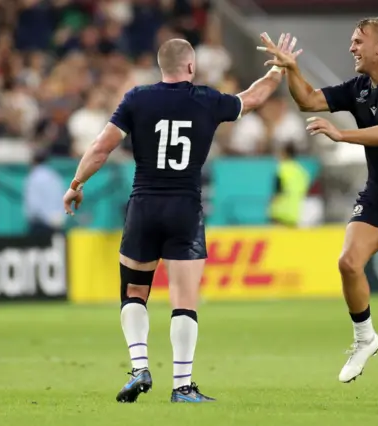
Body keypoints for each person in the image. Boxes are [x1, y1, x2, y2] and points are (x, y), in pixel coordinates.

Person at [63, 36, 300, 403]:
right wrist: (279, 67)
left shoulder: (136, 98)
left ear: (162, 67)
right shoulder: (207, 100)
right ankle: (182, 386)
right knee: (184, 299)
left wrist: (77, 183)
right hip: (184, 209)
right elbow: (253, 98)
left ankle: (140, 366)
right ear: (191, 66)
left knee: (134, 292)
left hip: (143, 206)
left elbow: (100, 147)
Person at [258, 20, 378, 399]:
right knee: (348, 261)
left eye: (358, 42)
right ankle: (365, 337)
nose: (351, 48)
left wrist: (342, 134)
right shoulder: (359, 89)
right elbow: (308, 100)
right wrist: (292, 70)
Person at [269, 142, 309, 227]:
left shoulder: (281, 168)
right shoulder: (301, 171)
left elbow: (277, 190)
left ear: (285, 153)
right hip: (295, 212)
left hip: (279, 212)